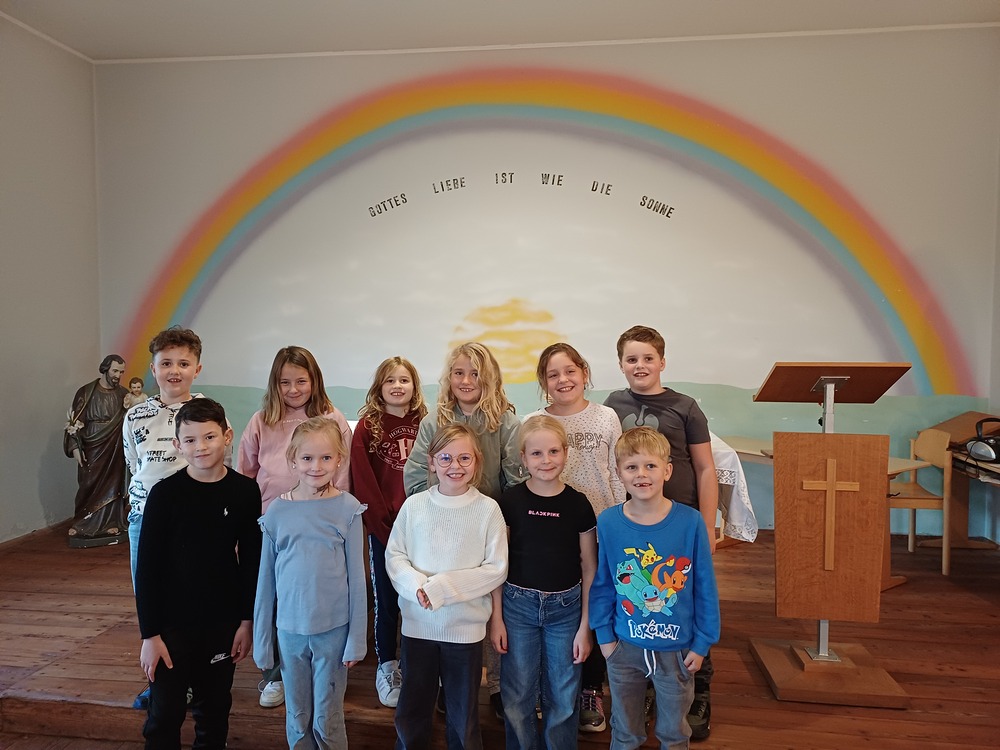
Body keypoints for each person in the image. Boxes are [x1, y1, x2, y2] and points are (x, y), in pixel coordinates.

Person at [604, 324, 718, 739]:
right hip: (634, 521)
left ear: (662, 362)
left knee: (683, 597)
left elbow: (705, 468)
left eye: (648, 358)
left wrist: (708, 524)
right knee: (642, 595)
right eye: (631, 359)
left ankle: (698, 688)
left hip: (679, 519)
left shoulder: (685, 407)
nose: (640, 365)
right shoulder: (613, 404)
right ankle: (647, 685)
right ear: (621, 364)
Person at [403, 341, 523, 717]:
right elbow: (415, 475)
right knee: (449, 602)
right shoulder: (433, 421)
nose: (467, 380)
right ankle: (445, 685)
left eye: (475, 373)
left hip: (490, 528)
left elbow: (516, 480)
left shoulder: (506, 422)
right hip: (442, 532)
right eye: (459, 373)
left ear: (490, 378)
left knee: (494, 605)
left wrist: (497, 522)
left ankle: (499, 686)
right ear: (449, 377)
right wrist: (442, 508)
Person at [135, 398, 262, 749]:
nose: (200, 447)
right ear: (178, 445)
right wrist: (150, 635)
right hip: (170, 625)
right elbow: (146, 570)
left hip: (221, 622)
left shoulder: (244, 491)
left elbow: (252, 560)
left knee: (214, 710)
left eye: (209, 437)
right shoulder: (164, 494)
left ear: (227, 436)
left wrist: (246, 621)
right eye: (190, 440)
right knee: (165, 713)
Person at [237, 345, 353, 709]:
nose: (293, 389)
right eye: (285, 382)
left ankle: (321, 664)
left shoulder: (332, 418)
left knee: (312, 593)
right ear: (275, 383)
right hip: (272, 526)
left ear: (314, 380)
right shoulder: (261, 420)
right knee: (272, 596)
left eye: (301, 381)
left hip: (320, 527)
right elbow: (245, 474)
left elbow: (344, 476)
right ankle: (275, 673)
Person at [590, 428, 719, 750]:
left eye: (650, 465)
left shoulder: (690, 522)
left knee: (674, 733)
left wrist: (702, 642)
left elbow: (704, 586)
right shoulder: (608, 522)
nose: (641, 474)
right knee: (624, 731)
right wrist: (605, 639)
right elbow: (603, 583)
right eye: (631, 467)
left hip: (677, 651)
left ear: (667, 470)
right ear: (619, 472)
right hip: (624, 648)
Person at [388, 423, 508, 750]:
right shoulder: (414, 506)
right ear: (431, 462)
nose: (455, 466)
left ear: (477, 461)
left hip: (465, 633)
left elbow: (496, 569)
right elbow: (395, 556)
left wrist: (441, 588)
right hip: (418, 627)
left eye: (464, 458)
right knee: (412, 710)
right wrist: (417, 587)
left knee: (463, 714)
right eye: (445, 458)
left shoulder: (488, 510)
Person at [526, 343, 625, 733]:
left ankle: (590, 689)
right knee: (553, 612)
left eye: (570, 371)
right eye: (552, 374)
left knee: (595, 607)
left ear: (584, 372)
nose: (563, 380)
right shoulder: (534, 421)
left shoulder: (606, 417)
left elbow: (616, 472)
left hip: (599, 526)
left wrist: (619, 524)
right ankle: (545, 688)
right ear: (543, 382)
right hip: (550, 531)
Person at [254, 418, 367, 749]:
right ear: (292, 460)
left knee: (327, 717)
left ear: (339, 460)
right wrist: (263, 642)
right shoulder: (277, 512)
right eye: (307, 458)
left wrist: (356, 640)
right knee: (298, 714)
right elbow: (265, 583)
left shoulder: (348, 509)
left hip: (333, 631)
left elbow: (358, 579)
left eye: (325, 457)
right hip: (289, 632)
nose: (316, 466)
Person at [490, 415, 597, 750]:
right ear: (523, 458)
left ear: (566, 453)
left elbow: (589, 567)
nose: (546, 460)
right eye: (536, 453)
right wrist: (497, 618)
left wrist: (585, 627)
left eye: (553, 451)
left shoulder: (579, 504)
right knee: (517, 692)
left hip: (566, 611)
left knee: (563, 694)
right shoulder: (510, 502)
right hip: (517, 609)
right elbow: (498, 565)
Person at [350, 357, 427, 708]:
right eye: (390, 380)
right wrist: (382, 528)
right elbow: (363, 482)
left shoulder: (426, 422)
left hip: (422, 527)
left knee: (419, 596)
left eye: (404, 380)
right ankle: (387, 664)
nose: (397, 386)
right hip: (384, 529)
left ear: (414, 386)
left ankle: (417, 664)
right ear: (379, 388)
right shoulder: (368, 427)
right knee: (385, 598)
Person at [124, 326, 230, 584]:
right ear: (153, 369)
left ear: (197, 370)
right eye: (166, 363)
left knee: (195, 585)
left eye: (183, 364)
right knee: (148, 585)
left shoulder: (211, 414)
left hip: (196, 516)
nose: (174, 371)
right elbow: (134, 463)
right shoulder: (135, 416)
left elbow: (222, 465)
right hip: (144, 516)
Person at [64, 354, 129, 547]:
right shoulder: (86, 392)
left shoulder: (123, 394)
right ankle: (82, 522)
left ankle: (112, 522)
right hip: (92, 444)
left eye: (121, 372)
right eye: (115, 371)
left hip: (115, 445)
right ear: (105, 369)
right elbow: (75, 421)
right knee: (88, 483)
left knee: (114, 484)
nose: (118, 375)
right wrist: (75, 447)